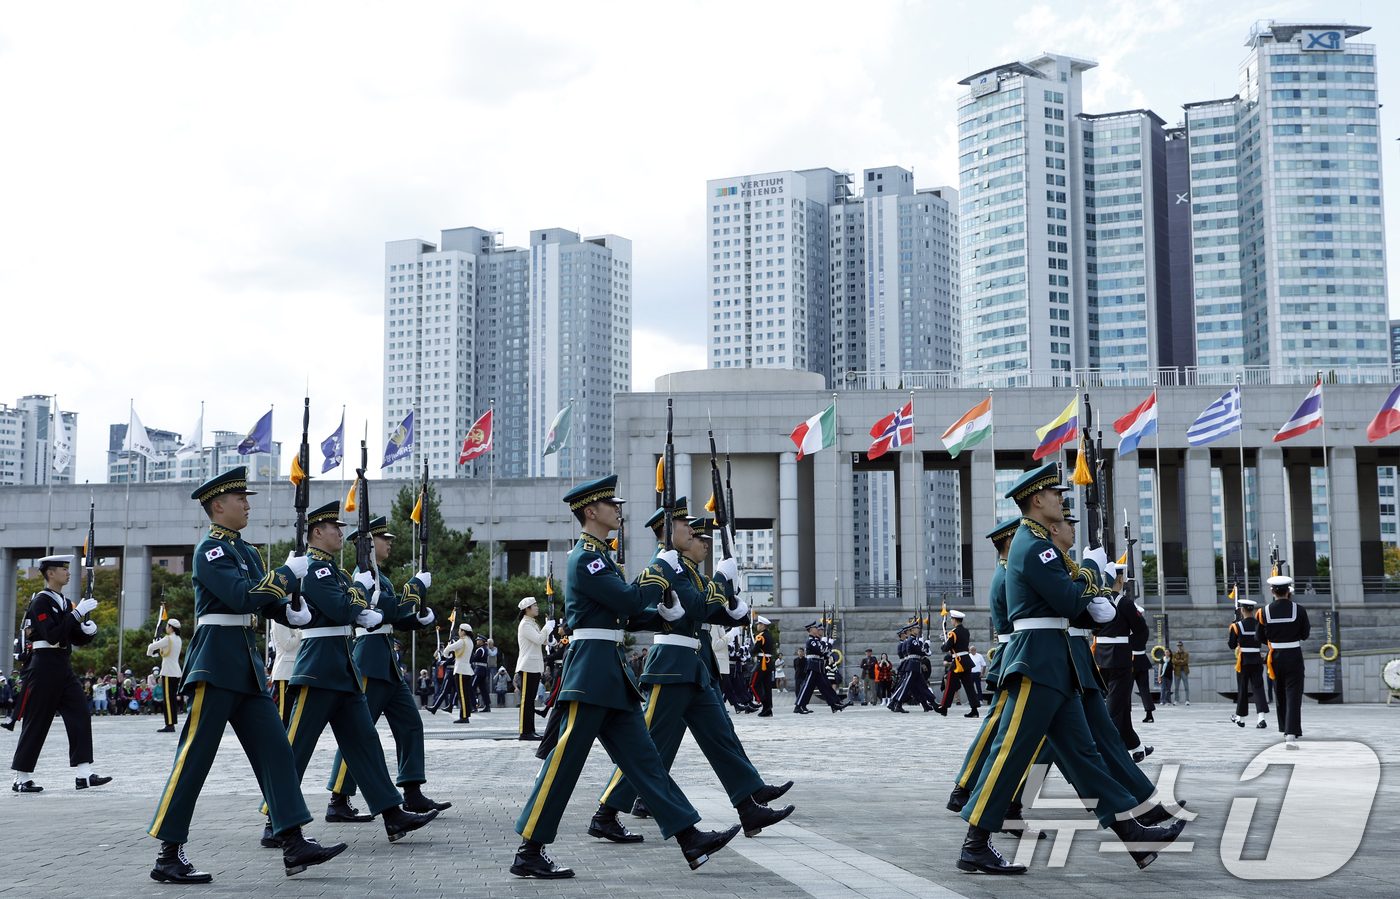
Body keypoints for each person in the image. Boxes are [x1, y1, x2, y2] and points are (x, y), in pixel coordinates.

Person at [956, 464, 1186, 874]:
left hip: (1053, 660)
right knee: (1010, 752)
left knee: (1082, 754)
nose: (1062, 501)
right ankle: (975, 843)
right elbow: (1067, 601)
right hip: (1037, 660)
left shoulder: (1039, 544)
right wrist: (1094, 573)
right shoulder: (1034, 546)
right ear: (1037, 501)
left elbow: (1072, 604)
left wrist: (1087, 579)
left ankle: (1131, 833)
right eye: (1056, 496)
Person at [512, 477, 742, 879]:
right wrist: (659, 569)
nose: (618, 510)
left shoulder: (602, 556)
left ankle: (690, 837)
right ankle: (529, 850)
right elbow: (628, 599)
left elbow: (627, 613)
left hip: (610, 671)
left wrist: (662, 614)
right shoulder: (587, 557)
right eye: (610, 504)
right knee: (564, 764)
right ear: (590, 511)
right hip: (591, 671)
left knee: (646, 762)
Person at [146, 467, 346, 883]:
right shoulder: (211, 551)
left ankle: (292, 841)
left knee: (276, 751)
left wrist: (290, 609)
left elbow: (261, 599)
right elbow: (240, 596)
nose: (248, 505)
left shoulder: (249, 552)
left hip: (247, 665)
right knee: (195, 757)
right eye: (241, 500)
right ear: (218, 506)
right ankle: (168, 854)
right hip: (215, 661)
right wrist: (289, 575)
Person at [593, 512, 793, 841]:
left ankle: (748, 803)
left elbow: (703, 609)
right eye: (687, 529)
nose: (695, 536)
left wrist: (733, 610)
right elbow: (697, 608)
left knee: (720, 736)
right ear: (668, 531)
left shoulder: (683, 570)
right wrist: (721, 579)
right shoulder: (665, 565)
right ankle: (605, 813)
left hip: (692, 664)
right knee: (647, 745)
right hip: (670, 666)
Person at [269, 501, 438, 847]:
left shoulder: (335, 571)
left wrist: (361, 600)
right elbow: (342, 607)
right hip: (318, 669)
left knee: (365, 743)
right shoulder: (315, 569)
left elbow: (353, 608)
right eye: (335, 528)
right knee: (295, 749)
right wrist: (361, 593)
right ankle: (275, 821)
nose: (341, 533)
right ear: (316, 533)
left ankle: (392, 813)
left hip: (342, 666)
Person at [322, 514, 448, 823]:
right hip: (370, 660)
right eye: (384, 539)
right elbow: (385, 608)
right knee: (358, 731)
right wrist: (416, 586)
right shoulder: (363, 575)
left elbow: (393, 616)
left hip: (387, 661)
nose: (390, 543)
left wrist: (417, 620)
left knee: (410, 724)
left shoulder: (383, 577)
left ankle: (412, 790)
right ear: (368, 545)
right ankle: (339, 798)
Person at [9, 554, 112, 794]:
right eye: (62, 569)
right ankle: (21, 777)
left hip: (63, 666)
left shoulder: (65, 603)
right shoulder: (41, 602)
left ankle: (84, 773)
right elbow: (52, 634)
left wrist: (88, 630)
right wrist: (76, 615)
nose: (68, 572)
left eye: (67, 569)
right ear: (50, 573)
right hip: (42, 667)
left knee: (80, 714)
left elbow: (73, 637)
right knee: (37, 723)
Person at [1257, 575, 1309, 749]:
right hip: (1294, 654)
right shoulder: (1299, 610)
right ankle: (1291, 734)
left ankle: (1285, 728)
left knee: (1279, 693)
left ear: (1272, 591)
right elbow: (1305, 634)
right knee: (1293, 694)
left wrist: (1273, 641)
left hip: (1275, 657)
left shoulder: (1263, 612)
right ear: (1288, 591)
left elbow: (1259, 636)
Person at [1228, 598, 1269, 729]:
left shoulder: (1237, 626)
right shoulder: (1259, 624)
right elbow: (1264, 639)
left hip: (1244, 660)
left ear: (1242, 610)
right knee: (1258, 688)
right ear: (1253, 610)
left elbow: (1231, 645)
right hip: (1256, 659)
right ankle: (1261, 718)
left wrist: (1234, 628)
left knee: (1243, 688)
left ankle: (1241, 718)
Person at [793, 622, 850, 713]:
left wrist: (827, 650)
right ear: (811, 630)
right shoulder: (811, 640)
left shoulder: (815, 640)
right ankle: (798, 706)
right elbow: (821, 650)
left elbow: (823, 653)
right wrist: (827, 643)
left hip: (818, 666)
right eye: (815, 628)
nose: (818, 629)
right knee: (807, 686)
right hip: (813, 665)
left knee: (826, 685)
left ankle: (835, 703)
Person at [516, 596, 551, 740]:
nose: (537, 608)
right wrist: (547, 628)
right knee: (526, 700)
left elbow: (541, 641)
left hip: (534, 665)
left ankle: (530, 730)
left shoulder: (532, 624)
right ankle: (525, 732)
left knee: (530, 700)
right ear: (527, 609)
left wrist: (550, 638)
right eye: (534, 606)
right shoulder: (525, 624)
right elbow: (538, 639)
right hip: (527, 665)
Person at [936, 611, 980, 717]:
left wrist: (944, 644)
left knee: (950, 685)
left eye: (951, 619)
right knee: (969, 686)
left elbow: (946, 648)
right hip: (966, 660)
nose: (951, 621)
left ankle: (944, 708)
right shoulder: (966, 631)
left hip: (957, 662)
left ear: (954, 620)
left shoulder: (953, 633)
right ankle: (974, 710)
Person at [888, 622, 938, 713]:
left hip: (915, 665)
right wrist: (926, 645)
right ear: (911, 630)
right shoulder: (912, 640)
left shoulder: (913, 639)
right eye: (916, 628)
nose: (918, 629)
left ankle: (931, 702)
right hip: (912, 665)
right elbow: (920, 652)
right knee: (906, 686)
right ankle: (897, 703)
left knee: (922, 686)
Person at [147, 619, 184, 733]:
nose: (166, 628)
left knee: (167, 699)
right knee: (172, 698)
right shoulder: (178, 639)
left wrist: (150, 652)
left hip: (168, 671)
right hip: (176, 671)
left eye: (167, 626)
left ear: (171, 627)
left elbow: (151, 647)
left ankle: (169, 724)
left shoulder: (168, 639)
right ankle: (172, 722)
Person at [1129, 607, 1157, 724]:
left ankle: (1126, 713)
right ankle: (1149, 713)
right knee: (1144, 689)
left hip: (1131, 659)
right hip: (1142, 659)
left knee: (1126, 689)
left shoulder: (1130, 628)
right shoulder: (1144, 629)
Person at [270, 622, 301, 727]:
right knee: (284, 715)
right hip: (285, 672)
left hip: (294, 672)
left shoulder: (292, 620)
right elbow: (287, 644)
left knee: (293, 715)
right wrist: (302, 633)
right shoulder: (280, 621)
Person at [750, 617, 775, 715]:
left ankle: (764, 703)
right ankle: (768, 708)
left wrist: (750, 647)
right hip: (769, 662)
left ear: (763, 625)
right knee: (767, 686)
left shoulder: (761, 637)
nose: (757, 626)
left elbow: (754, 651)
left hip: (762, 663)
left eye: (759, 624)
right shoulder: (769, 635)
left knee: (753, 683)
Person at [470, 632, 492, 712]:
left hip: (478, 670)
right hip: (483, 670)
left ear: (482, 641)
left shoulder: (480, 650)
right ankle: (487, 705)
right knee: (483, 689)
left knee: (471, 687)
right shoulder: (485, 649)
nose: (477, 641)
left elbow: (474, 659)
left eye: (478, 640)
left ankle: (473, 706)